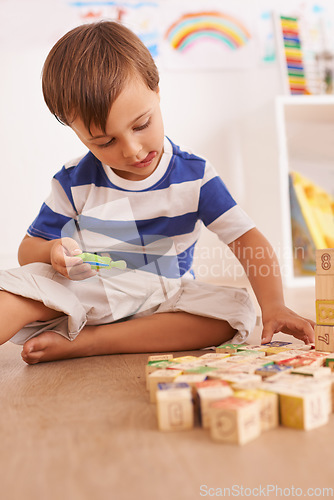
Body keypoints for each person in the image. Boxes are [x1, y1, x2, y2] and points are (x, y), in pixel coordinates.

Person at [0, 21, 314, 365]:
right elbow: (27, 251)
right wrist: (54, 252)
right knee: (14, 293)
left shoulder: (194, 176)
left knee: (235, 312)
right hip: (90, 291)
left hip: (164, 298)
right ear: (77, 134)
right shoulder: (73, 180)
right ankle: (80, 329)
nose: (132, 150)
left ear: (157, 90)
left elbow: (246, 239)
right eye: (105, 142)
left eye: (141, 125)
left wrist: (275, 305)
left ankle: (90, 342)